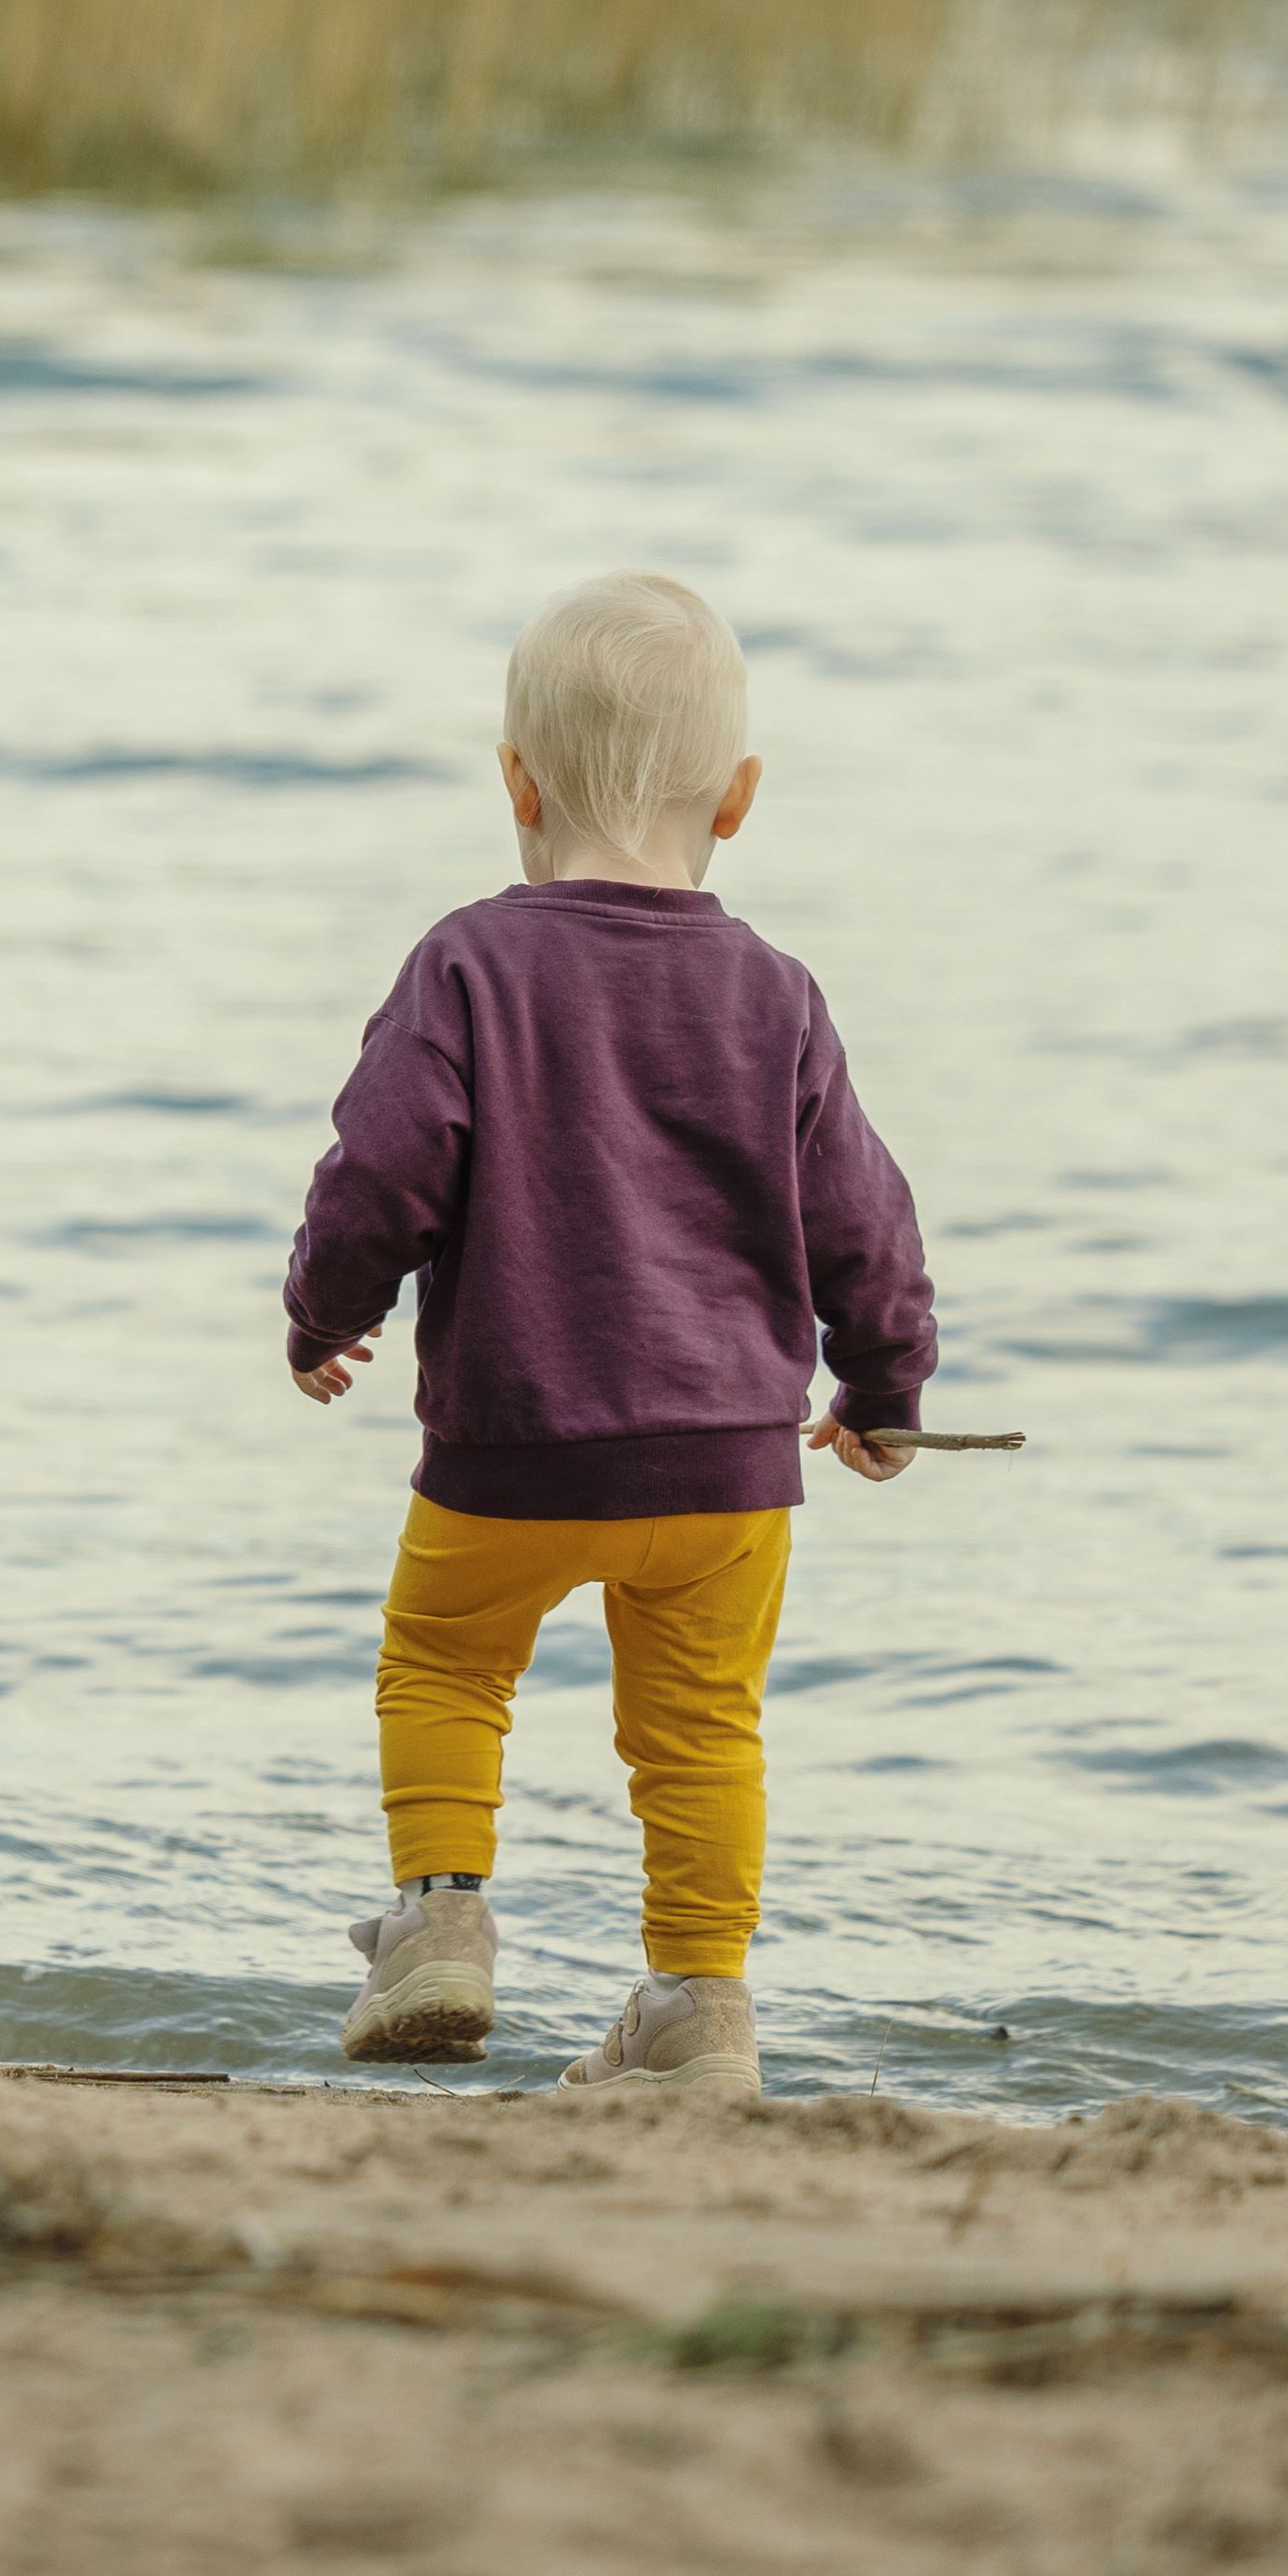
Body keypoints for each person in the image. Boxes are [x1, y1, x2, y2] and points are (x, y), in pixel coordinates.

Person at [276, 569, 942, 2097]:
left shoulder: (470, 962)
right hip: (723, 1476)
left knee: (444, 1661)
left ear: (515, 782)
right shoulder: (775, 995)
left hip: (511, 1448)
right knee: (703, 1735)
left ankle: (441, 1922)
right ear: (744, 798)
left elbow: (381, 1164)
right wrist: (885, 1382)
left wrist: (328, 1308)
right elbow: (864, 1217)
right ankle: (699, 2015)